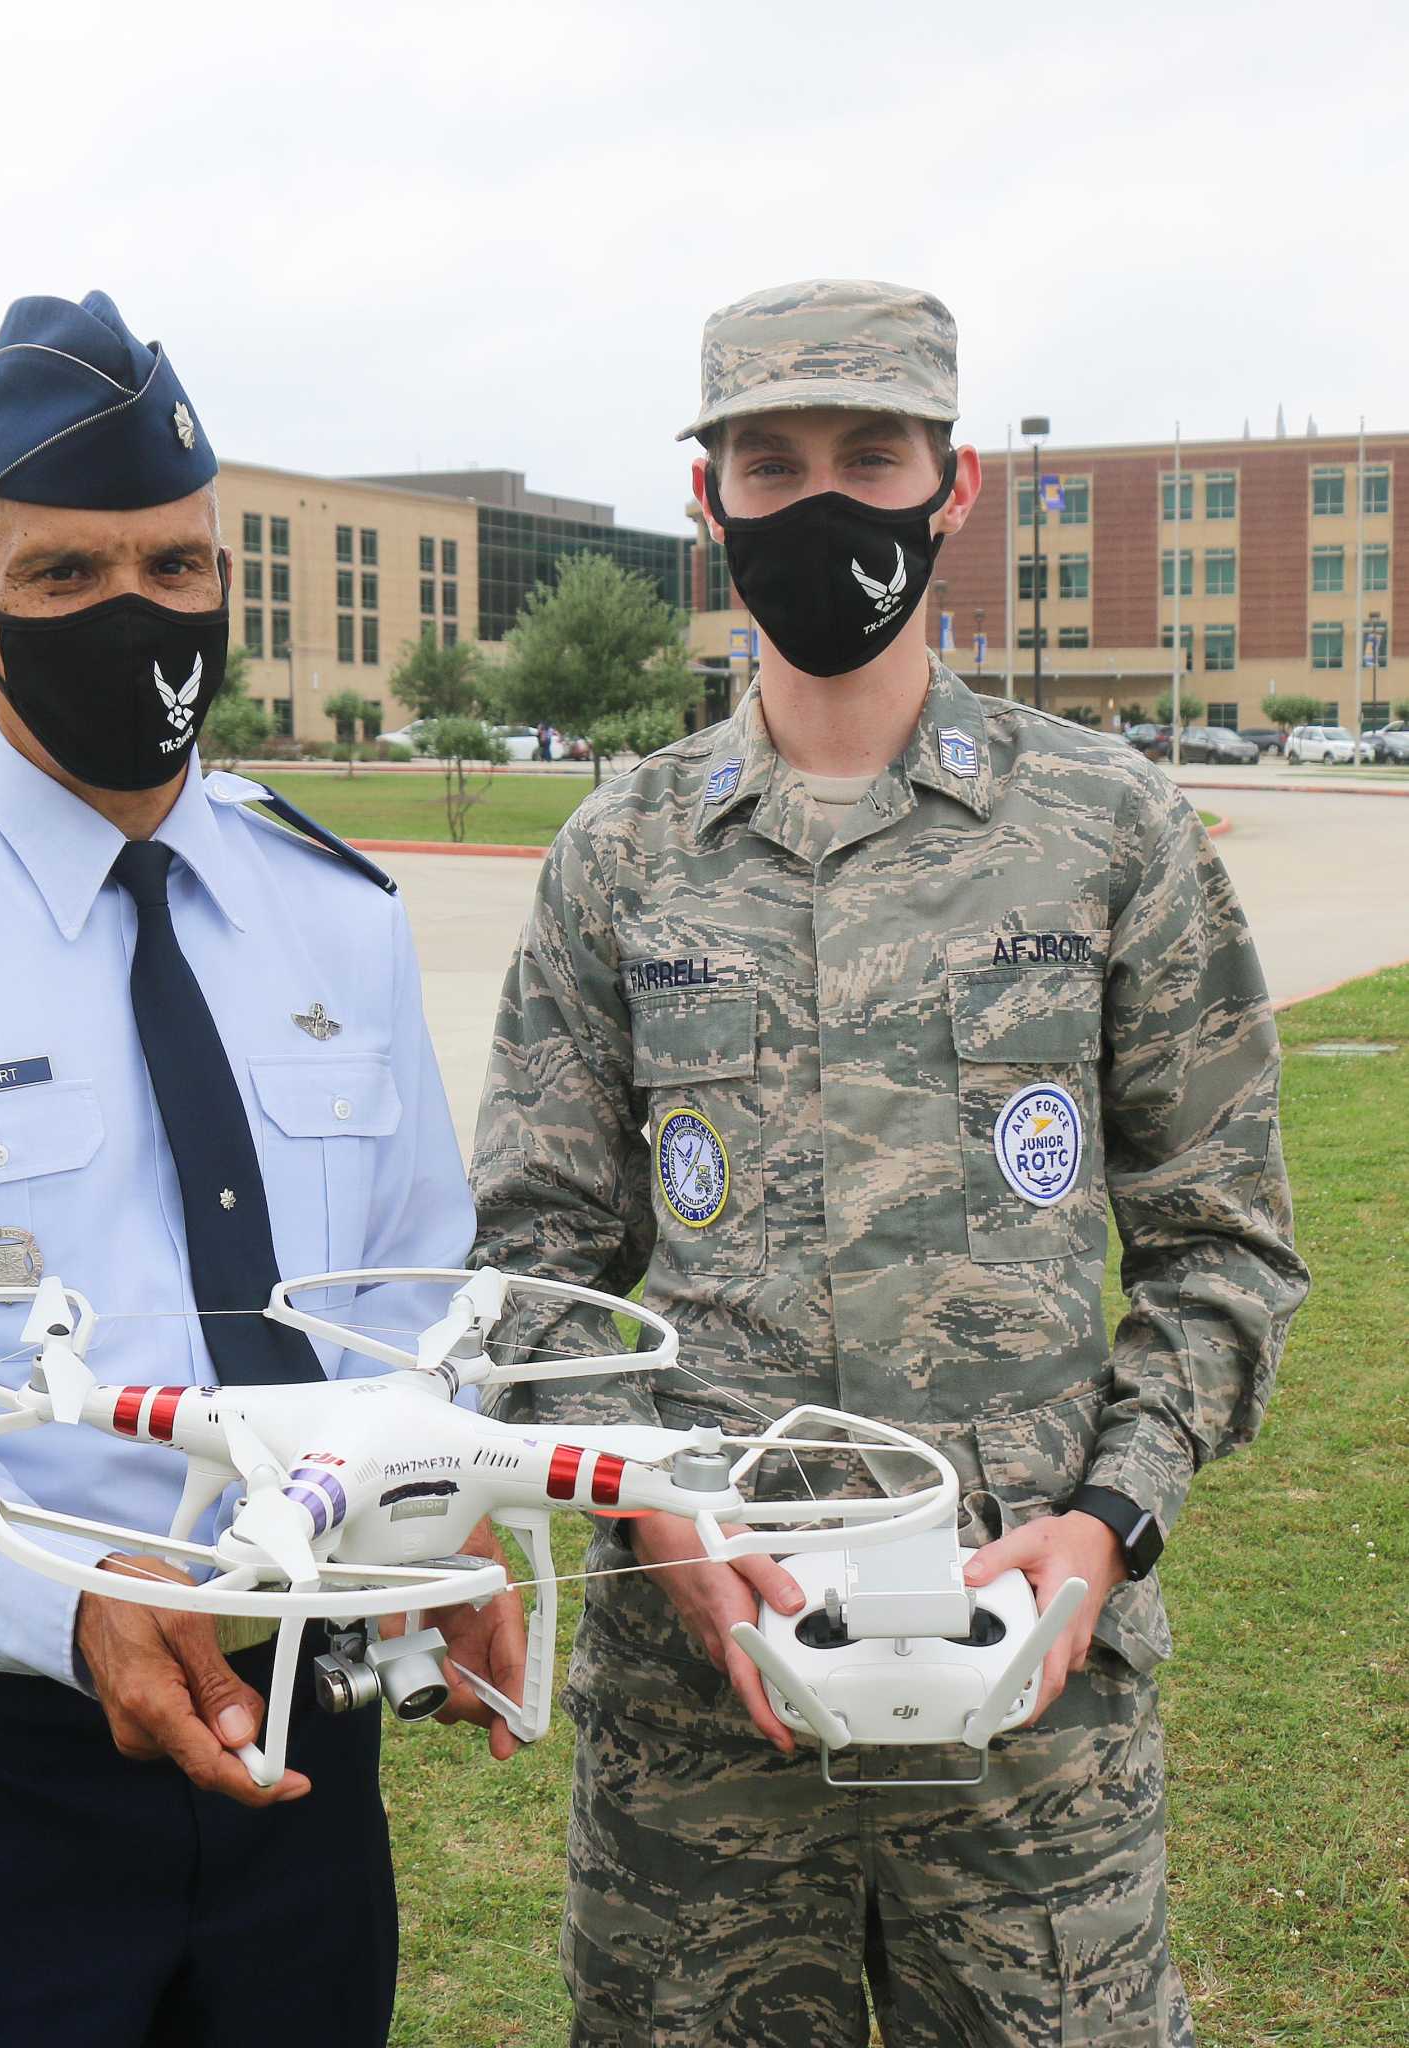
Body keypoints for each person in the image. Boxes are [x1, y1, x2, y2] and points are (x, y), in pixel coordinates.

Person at [470, 278, 1308, 2045]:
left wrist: (1107, 1521)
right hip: (706, 1729)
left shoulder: (1104, 826)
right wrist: (656, 1519)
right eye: (768, 464)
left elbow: (1220, 1243)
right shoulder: (620, 855)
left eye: (870, 453)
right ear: (706, 503)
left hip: (1031, 1727)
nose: (820, 499)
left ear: (957, 485)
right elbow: (534, 1273)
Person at [0, 288, 524, 2048]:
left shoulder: (336, 911)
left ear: (227, 581)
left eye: (174, 564)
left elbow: (411, 1290)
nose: (132, 611)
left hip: (305, 1731)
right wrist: (67, 1608)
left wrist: (436, 1526)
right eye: (67, 577)